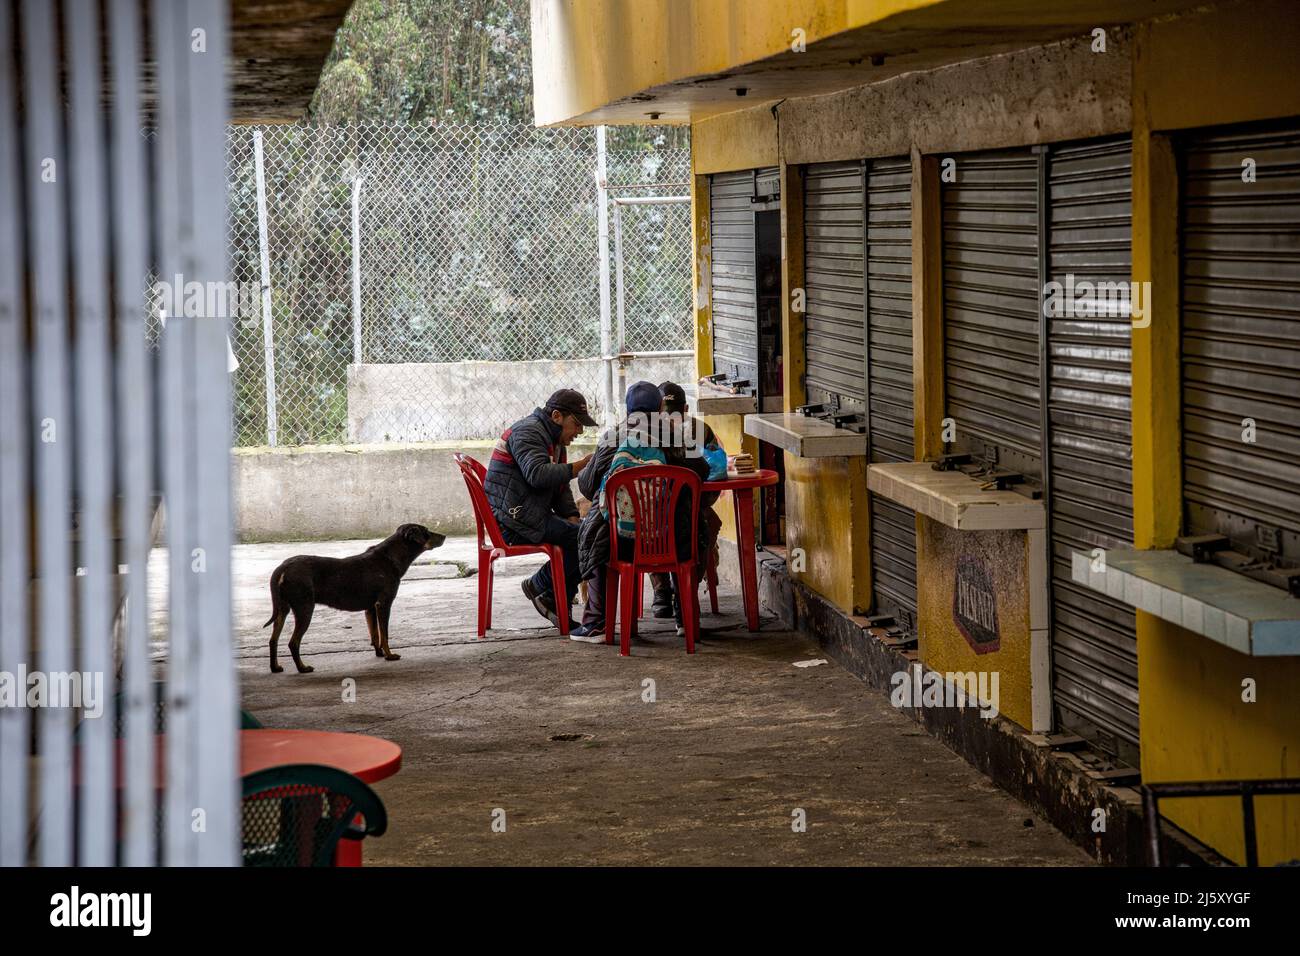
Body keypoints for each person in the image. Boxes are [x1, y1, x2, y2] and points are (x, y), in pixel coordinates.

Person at [591, 380, 711, 639]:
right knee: (691, 522)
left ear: (627, 410)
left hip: (625, 543)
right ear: (659, 408)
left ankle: (602, 623)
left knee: (597, 528)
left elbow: (588, 483)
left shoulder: (613, 436)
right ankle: (685, 618)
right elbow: (703, 471)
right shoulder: (675, 436)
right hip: (674, 540)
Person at [484, 388, 596, 627]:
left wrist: (571, 515)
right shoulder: (528, 432)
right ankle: (542, 586)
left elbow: (559, 485)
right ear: (557, 416)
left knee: (586, 532)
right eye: (576, 424)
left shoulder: (553, 439)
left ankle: (552, 598)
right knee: (590, 538)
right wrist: (582, 465)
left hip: (528, 513)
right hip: (512, 520)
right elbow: (538, 474)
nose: (579, 431)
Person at [648, 381, 728, 618]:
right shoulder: (696, 430)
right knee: (699, 525)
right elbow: (712, 477)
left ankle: (675, 592)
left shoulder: (640, 432)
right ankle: (674, 591)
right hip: (674, 509)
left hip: (664, 509)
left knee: (692, 523)